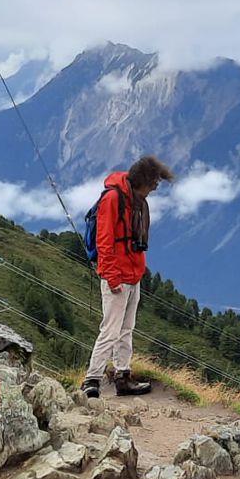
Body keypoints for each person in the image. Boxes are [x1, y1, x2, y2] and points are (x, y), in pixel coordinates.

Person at [83, 154, 174, 398]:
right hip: (118, 277)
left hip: (133, 275)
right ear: (143, 180)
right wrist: (112, 278)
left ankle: (122, 376)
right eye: (154, 182)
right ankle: (92, 379)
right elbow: (105, 241)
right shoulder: (113, 199)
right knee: (111, 330)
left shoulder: (137, 199)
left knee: (126, 329)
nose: (156, 187)